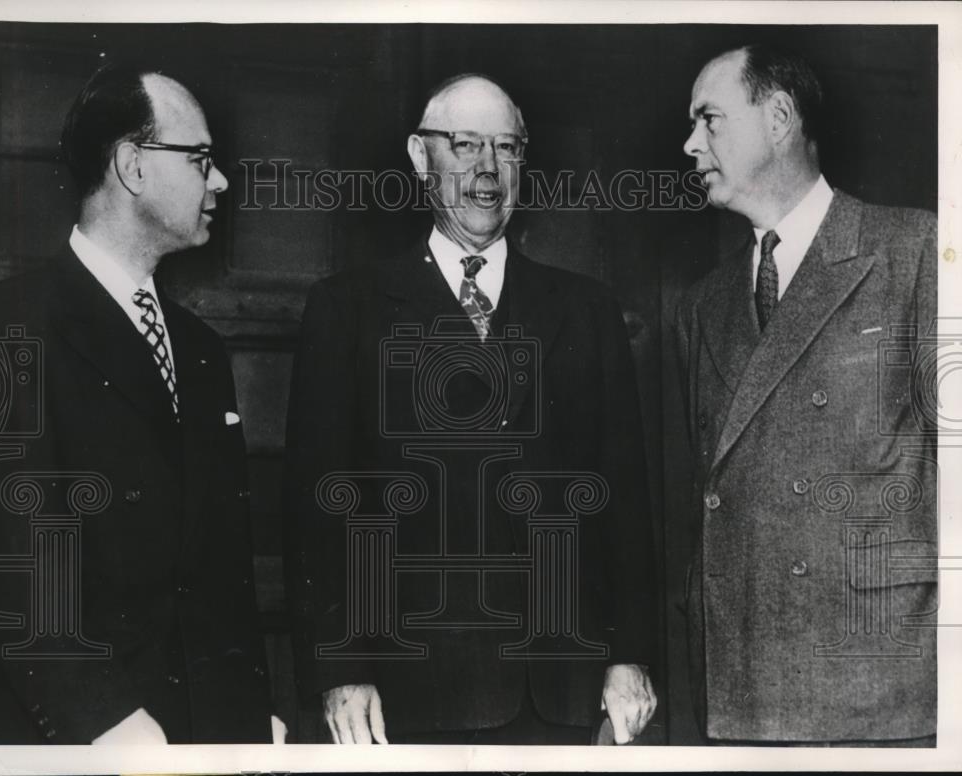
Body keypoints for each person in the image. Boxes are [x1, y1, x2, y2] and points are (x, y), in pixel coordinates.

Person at [285, 73, 657, 745]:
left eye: (507, 148)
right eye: (464, 145)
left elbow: (624, 501)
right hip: (406, 692)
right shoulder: (347, 308)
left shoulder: (587, 309)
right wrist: (338, 669)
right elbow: (319, 507)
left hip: (562, 689)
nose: (488, 169)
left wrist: (630, 654)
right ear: (420, 157)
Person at [0, 62, 280, 744]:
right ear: (132, 166)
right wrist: (103, 721)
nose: (221, 181)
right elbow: (17, 559)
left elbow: (221, 571)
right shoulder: (9, 327)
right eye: (201, 159)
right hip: (88, 736)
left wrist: (252, 713)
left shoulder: (201, 348)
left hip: (209, 729)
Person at [676, 44, 937, 745]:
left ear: (780, 117)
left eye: (709, 119)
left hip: (881, 681)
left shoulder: (915, 251)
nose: (690, 144)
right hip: (742, 679)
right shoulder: (704, 304)